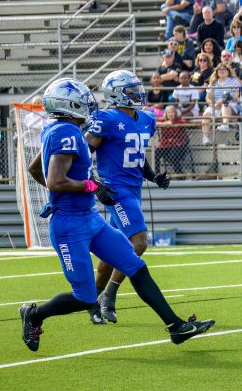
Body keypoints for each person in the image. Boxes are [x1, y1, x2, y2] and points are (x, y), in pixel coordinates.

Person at [19, 79, 214, 352]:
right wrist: (88, 186)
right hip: (70, 226)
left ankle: (176, 326)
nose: (89, 104)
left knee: (134, 264)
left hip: (89, 217)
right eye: (82, 99)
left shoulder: (61, 129)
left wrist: (69, 193)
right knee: (85, 298)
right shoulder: (67, 132)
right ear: (68, 104)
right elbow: (55, 181)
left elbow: (35, 169)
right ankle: (34, 314)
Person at [80, 70, 172, 324]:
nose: (138, 94)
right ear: (116, 94)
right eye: (131, 91)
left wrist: (153, 176)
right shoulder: (107, 118)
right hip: (115, 189)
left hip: (134, 189)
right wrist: (93, 184)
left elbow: (137, 155)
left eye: (137, 89)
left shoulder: (146, 118)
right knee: (139, 242)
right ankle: (109, 296)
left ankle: (91, 301)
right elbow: (82, 153)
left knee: (111, 252)